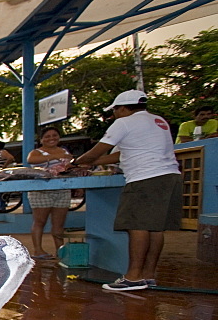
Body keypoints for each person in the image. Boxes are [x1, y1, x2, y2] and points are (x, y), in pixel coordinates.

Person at [75, 90, 182, 291]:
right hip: (170, 177)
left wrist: (75, 163)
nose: (114, 114)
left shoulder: (124, 123)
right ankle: (149, 275)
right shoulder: (159, 121)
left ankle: (133, 277)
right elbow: (119, 155)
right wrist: (91, 163)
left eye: (115, 110)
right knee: (156, 228)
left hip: (145, 179)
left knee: (137, 226)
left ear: (123, 108)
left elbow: (97, 150)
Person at [26, 126, 73, 260]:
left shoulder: (64, 151)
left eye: (54, 135)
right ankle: (38, 250)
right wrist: (56, 156)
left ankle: (61, 251)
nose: (51, 138)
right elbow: (31, 160)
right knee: (39, 221)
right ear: (41, 139)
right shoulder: (36, 152)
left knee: (59, 224)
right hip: (42, 191)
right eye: (47, 136)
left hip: (62, 190)